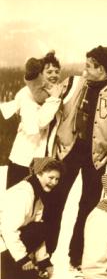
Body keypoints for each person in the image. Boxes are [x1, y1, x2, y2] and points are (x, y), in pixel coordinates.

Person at [44, 46, 107, 267]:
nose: (84, 70)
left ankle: (77, 255)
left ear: (101, 69)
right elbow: (46, 94)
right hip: (69, 151)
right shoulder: (74, 83)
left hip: (97, 158)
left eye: (89, 66)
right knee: (54, 201)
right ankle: (45, 251)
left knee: (88, 207)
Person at [0, 157, 63, 279]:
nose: (54, 182)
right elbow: (8, 230)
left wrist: (43, 260)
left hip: (8, 242)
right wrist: (22, 259)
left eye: (57, 179)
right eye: (51, 178)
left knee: (42, 227)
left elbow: (39, 231)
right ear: (39, 174)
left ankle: (11, 266)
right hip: (3, 240)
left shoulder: (37, 196)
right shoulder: (23, 194)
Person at [5, 52, 63, 188]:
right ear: (40, 75)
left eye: (56, 71)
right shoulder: (26, 94)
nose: (54, 75)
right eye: (49, 71)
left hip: (43, 163)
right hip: (23, 160)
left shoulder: (55, 94)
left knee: (36, 206)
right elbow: (39, 123)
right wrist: (54, 99)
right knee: (16, 202)